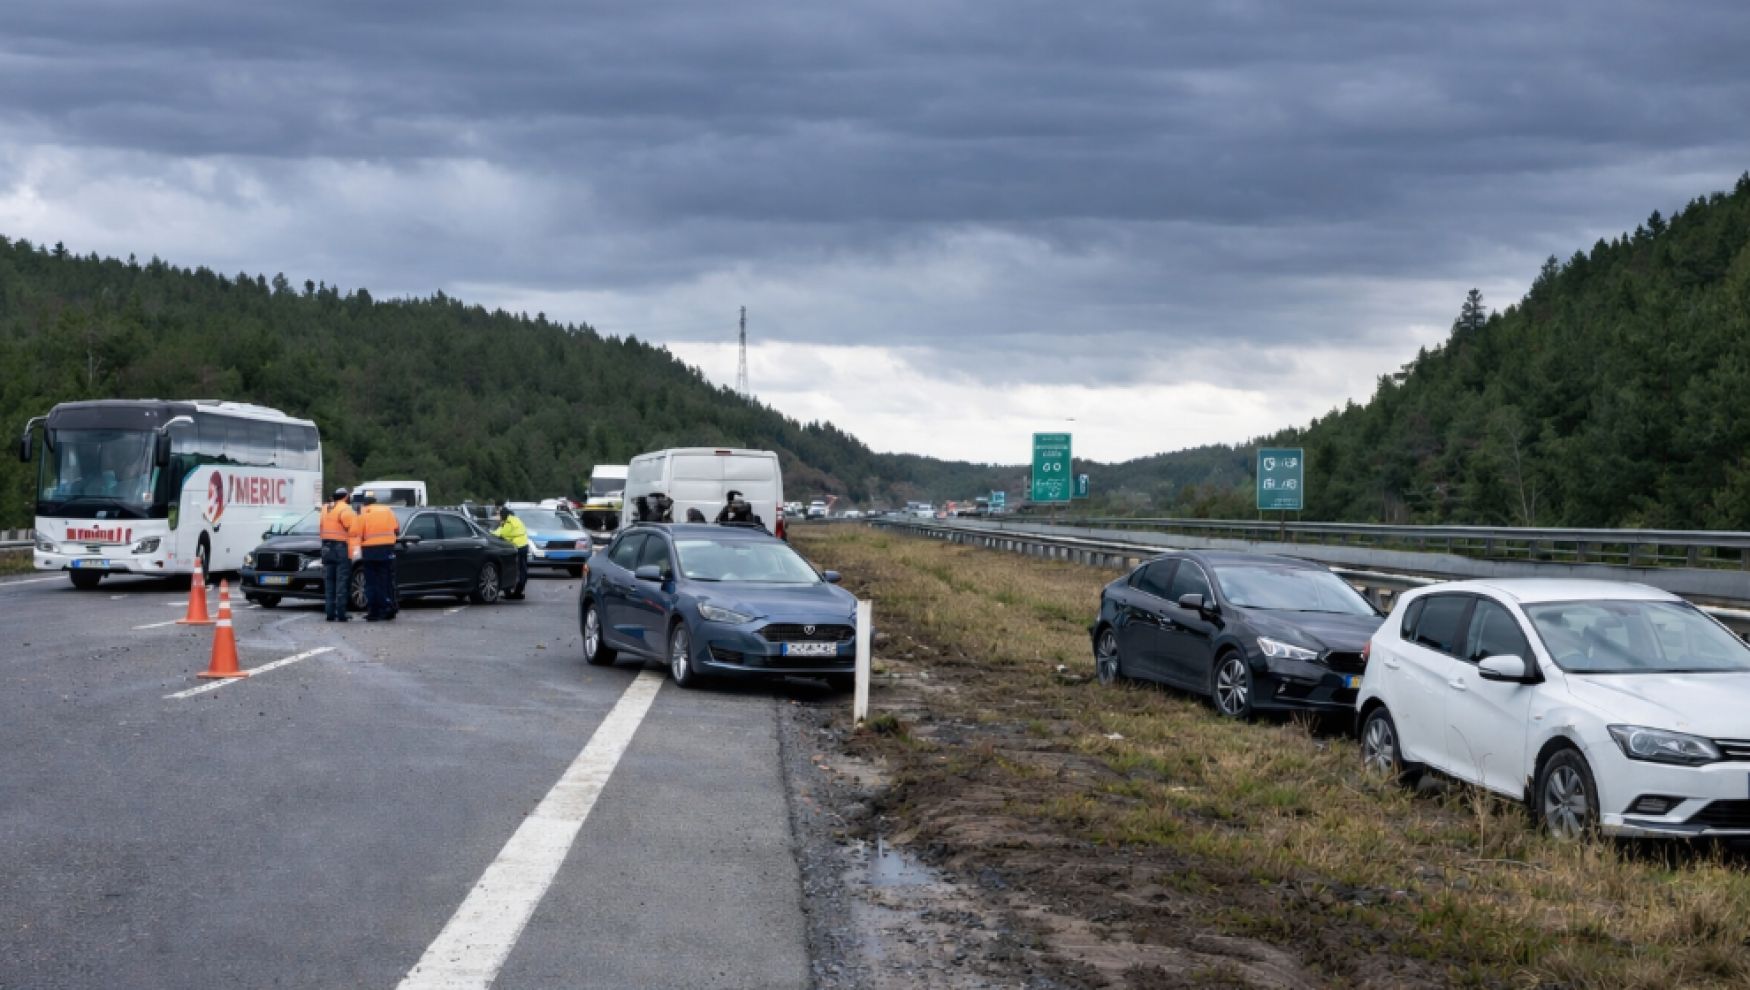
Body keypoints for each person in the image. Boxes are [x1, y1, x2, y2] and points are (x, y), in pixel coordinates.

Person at [318, 486, 360, 622]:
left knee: (329, 582)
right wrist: (353, 552)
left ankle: (330, 613)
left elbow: (321, 527)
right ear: (346, 497)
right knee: (342, 582)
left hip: (326, 547)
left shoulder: (326, 508)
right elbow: (353, 531)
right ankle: (341, 613)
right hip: (340, 548)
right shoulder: (345, 509)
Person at [357, 494, 401, 621]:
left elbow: (357, 533)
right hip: (386, 549)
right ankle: (387, 607)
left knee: (371, 582)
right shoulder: (387, 510)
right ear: (376, 501)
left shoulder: (364, 513)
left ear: (365, 502)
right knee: (385, 580)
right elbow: (396, 529)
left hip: (369, 551)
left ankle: (374, 611)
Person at [494, 504, 530, 600]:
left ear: (503, 515)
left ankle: (510, 593)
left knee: (510, 570)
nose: (499, 517)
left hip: (515, 548)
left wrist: (489, 533)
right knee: (523, 570)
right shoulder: (516, 519)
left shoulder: (509, 522)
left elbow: (502, 533)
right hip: (523, 547)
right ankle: (518, 592)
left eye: (500, 515)